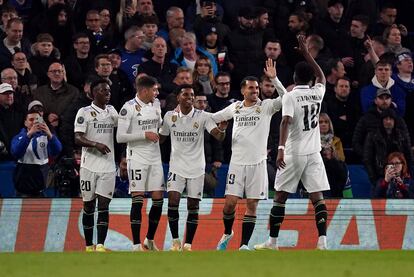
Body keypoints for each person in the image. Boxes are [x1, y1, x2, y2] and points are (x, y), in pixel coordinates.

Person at [255, 35, 330, 251]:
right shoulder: (318, 92)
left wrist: (280, 150)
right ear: (310, 80)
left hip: (293, 153)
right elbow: (322, 76)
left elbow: (285, 122)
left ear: (295, 77)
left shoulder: (290, 96)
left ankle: (273, 242)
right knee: (317, 197)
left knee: (280, 197)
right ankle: (322, 241)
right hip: (314, 153)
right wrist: (307, 53)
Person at [213, 59, 286, 251]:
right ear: (243, 90)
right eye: (251, 89)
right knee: (229, 204)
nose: (255, 91)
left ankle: (244, 245)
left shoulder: (266, 107)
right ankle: (228, 232)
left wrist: (275, 78)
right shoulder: (235, 107)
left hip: (258, 164)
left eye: (257, 88)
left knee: (252, 204)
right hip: (236, 163)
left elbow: (287, 98)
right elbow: (213, 118)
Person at [159, 84, 227, 251]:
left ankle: (188, 244)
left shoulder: (202, 116)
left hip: (197, 168)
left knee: (193, 206)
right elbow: (161, 138)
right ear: (178, 98)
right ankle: (175, 242)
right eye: (186, 95)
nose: (189, 98)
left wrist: (222, 129)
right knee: (173, 201)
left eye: (191, 96)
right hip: (176, 167)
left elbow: (217, 136)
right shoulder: (169, 116)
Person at [116, 76, 165, 251]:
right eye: (154, 90)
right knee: (138, 200)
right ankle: (136, 243)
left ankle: (149, 239)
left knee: (158, 199)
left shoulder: (156, 105)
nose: (157, 93)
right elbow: (120, 137)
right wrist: (144, 135)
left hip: (155, 157)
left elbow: (159, 126)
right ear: (144, 91)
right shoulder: (128, 108)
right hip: (136, 157)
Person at [74, 79, 118, 252]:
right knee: (88, 205)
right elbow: (77, 138)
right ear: (93, 93)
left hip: (108, 166)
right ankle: (88, 245)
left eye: (108, 90)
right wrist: (95, 144)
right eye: (103, 90)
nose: (107, 93)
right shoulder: (84, 112)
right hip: (88, 166)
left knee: (104, 205)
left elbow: (123, 125)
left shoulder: (112, 111)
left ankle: (100, 245)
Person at [11, 110, 61, 197]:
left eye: (37, 119)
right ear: (25, 123)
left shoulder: (46, 137)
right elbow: (16, 152)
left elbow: (57, 151)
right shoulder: (19, 137)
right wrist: (29, 135)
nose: (34, 122)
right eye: (31, 120)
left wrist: (50, 135)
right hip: (23, 188)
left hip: (41, 187)